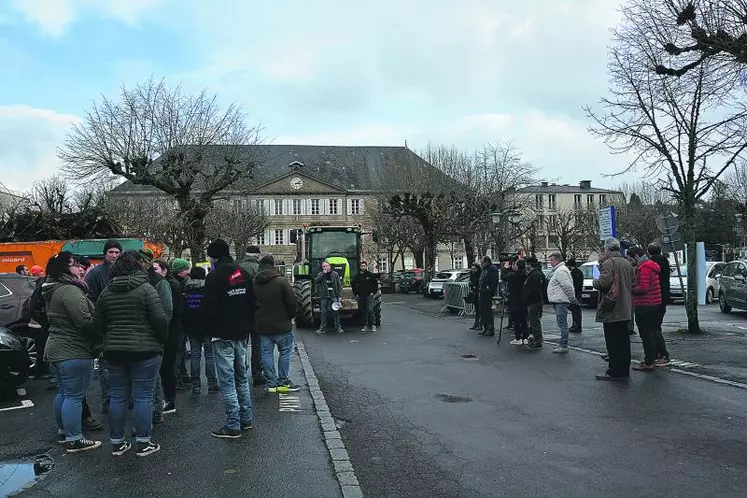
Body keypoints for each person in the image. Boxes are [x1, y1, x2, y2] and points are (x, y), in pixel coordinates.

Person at [93, 250, 168, 457]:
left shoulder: (106, 292)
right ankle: (143, 443)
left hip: (114, 352)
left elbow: (97, 324)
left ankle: (117, 443)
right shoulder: (146, 290)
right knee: (143, 396)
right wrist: (161, 341)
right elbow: (159, 320)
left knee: (117, 397)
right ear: (139, 269)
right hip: (145, 351)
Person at [42, 252, 101, 453]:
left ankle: (64, 432)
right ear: (65, 269)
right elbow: (84, 321)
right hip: (74, 350)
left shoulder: (53, 289)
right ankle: (74, 438)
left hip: (57, 348)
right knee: (74, 396)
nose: (80, 268)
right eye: (75, 265)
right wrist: (99, 332)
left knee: (64, 393)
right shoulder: (70, 291)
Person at [202, 239, 255, 439]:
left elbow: (208, 308)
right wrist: (248, 326)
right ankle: (246, 419)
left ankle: (233, 425)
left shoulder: (214, 276)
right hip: (242, 334)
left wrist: (209, 329)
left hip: (222, 334)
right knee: (241, 379)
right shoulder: (243, 273)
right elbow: (253, 302)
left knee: (228, 382)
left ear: (214, 256)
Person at [255, 255, 301, 394]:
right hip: (282, 325)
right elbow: (292, 302)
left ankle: (271, 384)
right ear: (273, 264)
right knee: (285, 353)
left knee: (266, 354)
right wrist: (291, 316)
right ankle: (283, 382)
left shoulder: (255, 283)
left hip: (263, 325)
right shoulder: (281, 281)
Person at [85, 239, 121, 414]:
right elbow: (89, 298)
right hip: (104, 326)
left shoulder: (122, 271)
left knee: (121, 364)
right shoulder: (95, 274)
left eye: (116, 252)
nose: (113, 255)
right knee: (106, 365)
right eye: (111, 252)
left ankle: (122, 397)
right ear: (105, 253)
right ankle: (108, 399)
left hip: (121, 324)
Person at [593, 237, 635, 381]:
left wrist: (595, 281)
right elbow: (633, 283)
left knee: (613, 342)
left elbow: (603, 283)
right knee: (624, 341)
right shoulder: (626, 263)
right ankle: (624, 370)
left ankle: (614, 371)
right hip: (625, 307)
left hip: (612, 307)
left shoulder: (608, 263)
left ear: (607, 249)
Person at [183, 266, 219, 395]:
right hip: (207, 327)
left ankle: (196, 385)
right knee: (209, 355)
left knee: (195, 355)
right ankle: (212, 384)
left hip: (192, 326)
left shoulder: (187, 288)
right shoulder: (208, 289)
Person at [629, 246, 662, 372]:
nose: (631, 262)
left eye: (630, 258)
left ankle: (649, 362)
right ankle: (651, 359)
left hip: (644, 304)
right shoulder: (651, 265)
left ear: (636, 256)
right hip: (653, 303)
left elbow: (643, 287)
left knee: (646, 334)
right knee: (651, 333)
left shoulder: (643, 268)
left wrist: (631, 289)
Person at [239, 245, 266, 386]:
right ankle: (257, 374)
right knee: (257, 344)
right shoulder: (259, 269)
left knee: (242, 344)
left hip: (240, 312)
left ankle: (241, 373)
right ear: (257, 256)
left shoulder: (238, 269)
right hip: (257, 312)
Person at [546, 253, 577, 354]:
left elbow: (567, 286)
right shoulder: (560, 270)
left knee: (562, 323)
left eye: (552, 260)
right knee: (561, 323)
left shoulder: (561, 271)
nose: (550, 262)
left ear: (557, 260)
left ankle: (564, 345)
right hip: (559, 300)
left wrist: (572, 299)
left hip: (561, 301)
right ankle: (562, 344)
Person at [170, 258, 192, 388]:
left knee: (181, 351)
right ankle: (178, 378)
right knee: (178, 351)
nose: (188, 272)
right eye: (185, 269)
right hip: (178, 323)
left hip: (179, 322)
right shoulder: (177, 285)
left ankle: (182, 374)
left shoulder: (177, 282)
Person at [647, 243, 671, 366]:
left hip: (654, 298)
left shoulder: (650, 264)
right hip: (663, 297)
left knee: (654, 327)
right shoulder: (664, 262)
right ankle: (658, 354)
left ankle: (662, 354)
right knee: (656, 326)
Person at [523, 257, 546, 351]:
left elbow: (533, 289)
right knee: (534, 321)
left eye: (526, 264)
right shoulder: (536, 274)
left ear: (530, 264)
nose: (525, 266)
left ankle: (538, 340)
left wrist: (526, 297)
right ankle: (536, 339)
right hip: (535, 301)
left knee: (534, 321)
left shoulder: (535, 275)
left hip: (533, 301)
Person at [315, 260, 343, 335]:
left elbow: (339, 285)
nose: (325, 267)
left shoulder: (335, 274)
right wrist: (323, 274)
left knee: (335, 311)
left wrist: (339, 296)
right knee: (323, 312)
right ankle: (322, 328)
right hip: (324, 295)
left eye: (326, 266)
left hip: (333, 294)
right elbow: (316, 281)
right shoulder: (320, 274)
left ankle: (338, 327)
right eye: (323, 266)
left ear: (329, 266)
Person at [351, 261, 379, 332]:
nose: (363, 267)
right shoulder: (357, 276)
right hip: (361, 296)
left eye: (364, 266)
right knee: (363, 311)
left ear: (366, 266)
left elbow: (375, 284)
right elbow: (353, 285)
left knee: (370, 309)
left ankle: (373, 325)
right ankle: (365, 325)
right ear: (360, 267)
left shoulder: (370, 275)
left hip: (369, 295)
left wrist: (373, 292)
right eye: (362, 266)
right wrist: (356, 294)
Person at [507, 260, 529, 345]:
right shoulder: (526, 274)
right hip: (523, 299)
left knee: (516, 320)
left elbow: (504, 277)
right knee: (524, 319)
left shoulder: (514, 275)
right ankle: (525, 337)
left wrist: (507, 269)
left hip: (514, 300)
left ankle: (518, 337)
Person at [478, 256, 500, 337]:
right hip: (482, 292)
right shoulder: (484, 269)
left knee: (487, 311)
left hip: (487, 293)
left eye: (482, 262)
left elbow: (494, 281)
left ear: (486, 262)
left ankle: (490, 329)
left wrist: (489, 290)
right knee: (482, 310)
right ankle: (485, 328)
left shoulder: (492, 268)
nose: (481, 264)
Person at [567, 258, 584, 333]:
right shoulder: (578, 272)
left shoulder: (575, 273)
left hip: (576, 293)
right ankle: (575, 325)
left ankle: (577, 326)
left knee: (576, 310)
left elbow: (576, 284)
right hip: (577, 293)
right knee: (575, 310)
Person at [468, 263, 482, 331]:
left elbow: (479, 284)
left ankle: (480, 324)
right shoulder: (472, 274)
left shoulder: (479, 274)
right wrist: (471, 285)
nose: (473, 270)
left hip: (478, 292)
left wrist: (475, 286)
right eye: (472, 269)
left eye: (474, 269)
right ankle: (476, 323)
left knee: (479, 309)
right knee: (477, 309)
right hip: (474, 293)